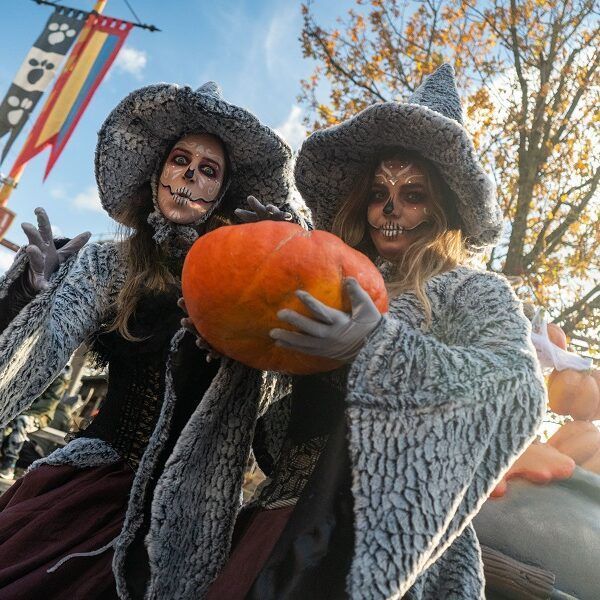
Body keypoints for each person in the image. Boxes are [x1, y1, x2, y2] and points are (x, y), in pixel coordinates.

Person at [198, 64, 547, 598]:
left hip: (391, 541)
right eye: (379, 192)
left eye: (413, 194)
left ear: (444, 208)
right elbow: (279, 413)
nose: (389, 209)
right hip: (280, 518)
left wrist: (379, 349)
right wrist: (254, 291)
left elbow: (516, 390)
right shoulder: (331, 278)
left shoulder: (474, 291)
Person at [0, 82, 303, 598]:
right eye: (180, 160)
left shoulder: (246, 284)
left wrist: (278, 277)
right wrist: (28, 293)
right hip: (91, 493)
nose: (189, 175)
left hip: (191, 517)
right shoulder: (111, 265)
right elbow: (39, 345)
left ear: (223, 196)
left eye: (208, 170)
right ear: (158, 173)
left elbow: (276, 397)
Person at [0, 365, 71, 479]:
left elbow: (47, 405)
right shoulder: (37, 371)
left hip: (40, 415)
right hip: (24, 411)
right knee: (4, 418)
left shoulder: (59, 380)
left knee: (21, 421)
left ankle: (9, 464)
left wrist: (23, 409)